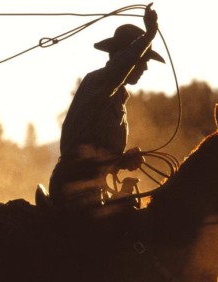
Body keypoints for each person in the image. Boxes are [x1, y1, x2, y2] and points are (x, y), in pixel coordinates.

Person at [48, 4, 164, 222]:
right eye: (143, 60)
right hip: (73, 187)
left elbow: (95, 154)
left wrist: (121, 161)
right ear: (126, 57)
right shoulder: (98, 81)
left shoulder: (116, 96)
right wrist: (148, 36)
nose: (145, 68)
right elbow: (117, 69)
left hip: (91, 187)